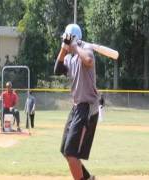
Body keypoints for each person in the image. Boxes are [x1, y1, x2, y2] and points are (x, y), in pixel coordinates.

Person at [55, 24, 99, 180]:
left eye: (67, 39)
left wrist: (75, 45)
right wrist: (64, 48)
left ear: (75, 39)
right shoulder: (69, 58)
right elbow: (57, 70)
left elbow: (87, 60)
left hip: (87, 107)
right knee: (65, 151)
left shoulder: (87, 50)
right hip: (76, 108)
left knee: (72, 153)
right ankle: (87, 178)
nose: (65, 42)